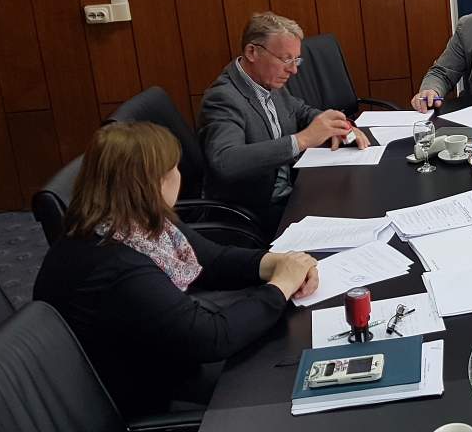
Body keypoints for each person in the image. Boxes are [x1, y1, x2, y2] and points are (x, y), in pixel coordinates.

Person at [34, 122, 320, 416]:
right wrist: (280, 287)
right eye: (174, 169)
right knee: (293, 383)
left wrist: (274, 262)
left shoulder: (129, 222)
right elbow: (213, 338)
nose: (178, 175)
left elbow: (212, 259)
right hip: (149, 391)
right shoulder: (119, 266)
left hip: (158, 352)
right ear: (153, 184)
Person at [199, 12, 368, 233]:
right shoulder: (223, 98)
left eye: (296, 60)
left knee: (359, 197)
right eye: (286, 59)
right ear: (252, 52)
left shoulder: (267, 80)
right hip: (257, 212)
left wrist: (335, 125)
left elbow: (300, 111)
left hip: (292, 190)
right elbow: (225, 161)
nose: (293, 70)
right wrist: (302, 140)